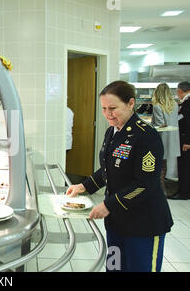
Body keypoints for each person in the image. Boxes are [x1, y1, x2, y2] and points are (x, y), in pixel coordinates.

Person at [66, 81, 173, 272]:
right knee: (115, 268)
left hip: (144, 223)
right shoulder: (112, 132)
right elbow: (109, 169)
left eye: (113, 108)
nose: (108, 114)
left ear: (131, 103)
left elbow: (144, 184)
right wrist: (84, 186)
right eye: (104, 108)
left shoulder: (146, 136)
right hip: (117, 222)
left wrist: (109, 205)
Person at [151, 83, 180, 194]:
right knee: (164, 165)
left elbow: (159, 125)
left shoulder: (157, 106)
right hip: (173, 139)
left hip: (162, 139)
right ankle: (163, 191)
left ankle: (161, 191)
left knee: (159, 167)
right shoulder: (175, 105)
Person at [172, 81, 190, 200]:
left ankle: (184, 192)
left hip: (185, 141)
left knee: (184, 167)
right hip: (185, 139)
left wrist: (188, 141)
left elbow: (188, 123)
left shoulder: (187, 104)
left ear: (179, 91)